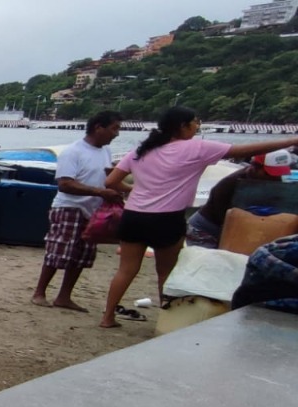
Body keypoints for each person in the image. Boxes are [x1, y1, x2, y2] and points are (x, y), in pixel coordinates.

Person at [98, 106, 298, 328]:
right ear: (182, 126)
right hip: (167, 218)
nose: (198, 126)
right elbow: (243, 150)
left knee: (125, 270)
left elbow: (111, 182)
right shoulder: (196, 148)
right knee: (166, 273)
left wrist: (134, 191)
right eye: (195, 122)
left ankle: (107, 317)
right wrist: (289, 141)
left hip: (134, 216)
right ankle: (165, 320)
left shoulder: (141, 150)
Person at [32, 110, 126, 312]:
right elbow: (65, 184)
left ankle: (64, 296)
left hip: (92, 208)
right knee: (59, 250)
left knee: (83, 254)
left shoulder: (105, 152)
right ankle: (40, 292)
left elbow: (108, 177)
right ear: (98, 127)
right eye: (114, 128)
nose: (116, 133)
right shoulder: (73, 151)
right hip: (69, 206)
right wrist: (100, 192)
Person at [185, 150, 292, 249]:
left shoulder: (273, 182)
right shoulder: (231, 184)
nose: (275, 177)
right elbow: (227, 220)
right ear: (255, 167)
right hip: (206, 230)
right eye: (269, 173)